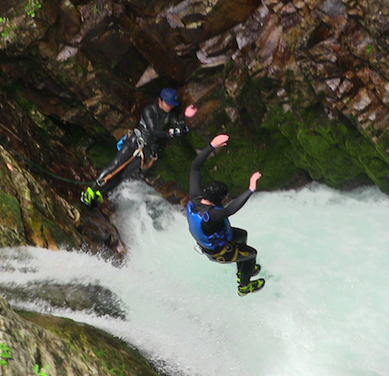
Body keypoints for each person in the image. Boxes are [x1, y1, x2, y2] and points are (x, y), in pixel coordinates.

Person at [81, 87, 197, 206]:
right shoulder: (150, 110)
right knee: (115, 165)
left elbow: (177, 125)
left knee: (123, 175)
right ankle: (90, 191)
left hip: (146, 149)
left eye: (172, 104)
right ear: (160, 100)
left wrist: (185, 117)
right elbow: (152, 130)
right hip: (135, 142)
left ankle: (101, 193)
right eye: (168, 103)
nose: (170, 106)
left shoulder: (169, 115)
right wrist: (169, 133)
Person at [186, 134, 265, 296]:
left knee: (242, 235)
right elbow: (230, 210)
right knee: (252, 254)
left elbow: (195, 167)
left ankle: (243, 269)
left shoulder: (195, 198)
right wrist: (250, 189)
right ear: (219, 199)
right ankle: (244, 286)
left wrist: (212, 146)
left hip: (217, 241)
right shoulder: (212, 217)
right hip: (220, 252)